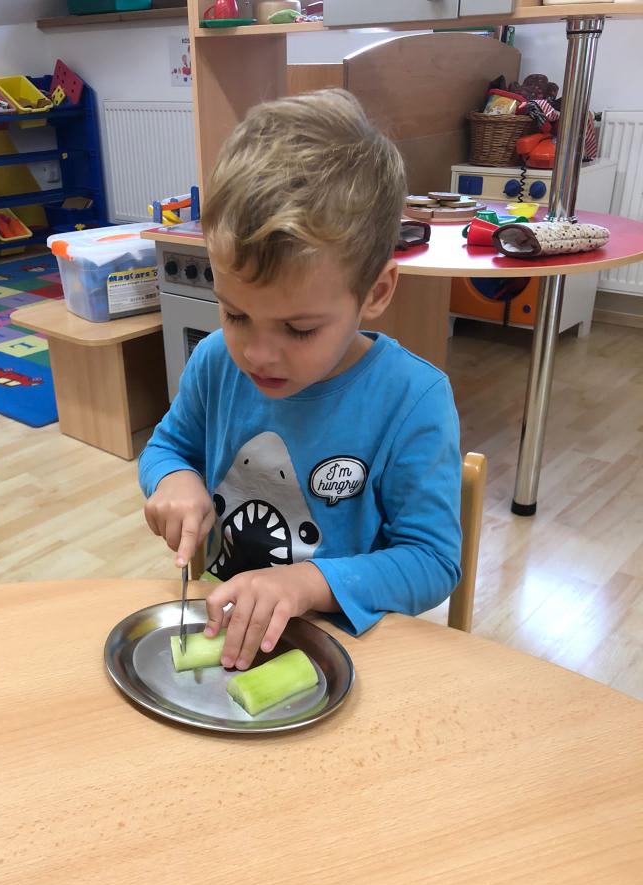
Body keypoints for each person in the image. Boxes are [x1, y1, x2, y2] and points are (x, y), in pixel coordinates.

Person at [139, 89, 462, 672]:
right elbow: (168, 447)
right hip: (224, 634)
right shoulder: (215, 362)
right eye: (234, 313)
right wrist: (174, 479)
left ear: (376, 292)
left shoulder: (412, 400)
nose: (256, 353)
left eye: (299, 328)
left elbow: (432, 561)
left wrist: (309, 583)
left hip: (342, 652)